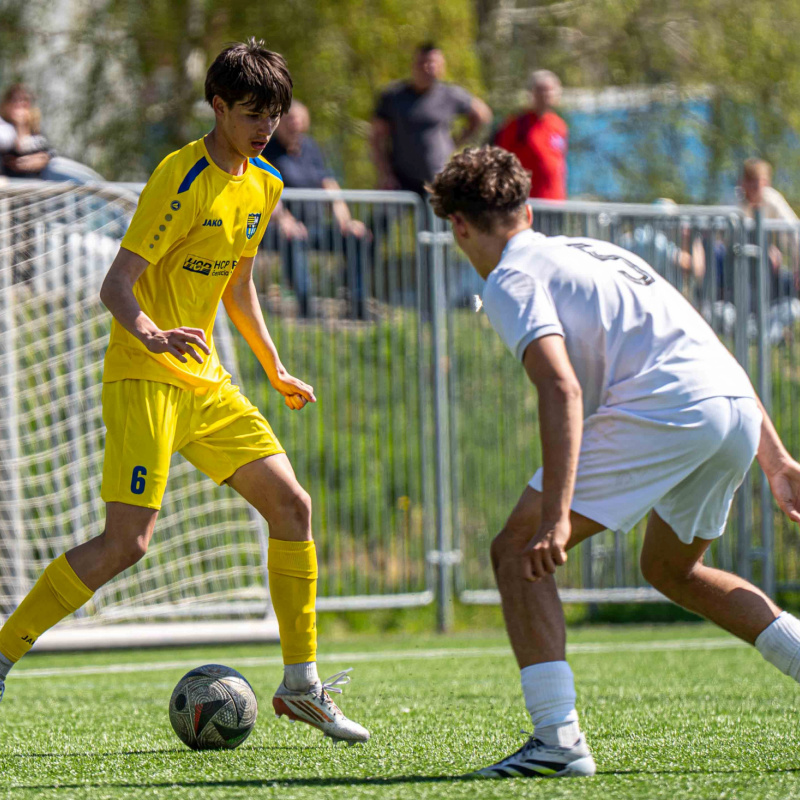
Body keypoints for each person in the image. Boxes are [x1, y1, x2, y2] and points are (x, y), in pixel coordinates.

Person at [0, 39, 369, 744]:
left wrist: (275, 365)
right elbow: (117, 286)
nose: (266, 128)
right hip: (145, 375)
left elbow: (239, 286)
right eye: (253, 113)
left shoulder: (265, 183)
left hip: (207, 383)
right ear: (219, 107)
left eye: (275, 115)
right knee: (125, 544)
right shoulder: (181, 174)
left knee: (293, 507)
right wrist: (154, 335)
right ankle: (3, 651)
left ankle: (301, 687)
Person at [429, 146, 800, 779]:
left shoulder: (512, 277)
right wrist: (776, 457)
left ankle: (557, 741)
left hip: (669, 407)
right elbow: (706, 341)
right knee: (671, 569)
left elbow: (561, 390)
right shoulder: (594, 251)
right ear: (524, 204)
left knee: (518, 552)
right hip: (730, 405)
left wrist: (553, 517)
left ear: (458, 225)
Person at [263, 101, 370, 319]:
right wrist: (285, 220)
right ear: (278, 123)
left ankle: (358, 304)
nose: (295, 124)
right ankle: (306, 307)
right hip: (280, 229)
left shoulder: (311, 148)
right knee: (294, 239)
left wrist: (346, 221)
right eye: (289, 119)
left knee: (356, 238)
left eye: (299, 119)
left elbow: (329, 185)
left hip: (315, 226)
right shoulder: (267, 150)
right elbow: (266, 190)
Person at [370, 43, 491, 195]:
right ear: (414, 65)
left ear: (442, 66)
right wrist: (385, 174)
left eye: (434, 63)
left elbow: (482, 114)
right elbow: (376, 137)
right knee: (379, 218)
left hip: (437, 178)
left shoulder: (450, 95)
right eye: (423, 63)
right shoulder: (394, 97)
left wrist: (456, 142)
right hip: (400, 178)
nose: (429, 68)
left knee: (441, 217)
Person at [0, 84, 102, 182]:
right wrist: (20, 125)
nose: (20, 103)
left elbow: (49, 151)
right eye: (15, 100)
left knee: (83, 176)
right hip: (27, 183)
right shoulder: (6, 129)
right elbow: (19, 149)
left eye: (25, 100)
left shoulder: (35, 130)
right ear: (6, 105)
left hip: (50, 173)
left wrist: (43, 158)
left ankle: (99, 187)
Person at [493, 70, 568, 200]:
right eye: (541, 90)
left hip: (555, 201)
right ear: (531, 93)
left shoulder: (559, 125)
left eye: (550, 90)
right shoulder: (517, 125)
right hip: (528, 201)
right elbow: (500, 159)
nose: (546, 94)